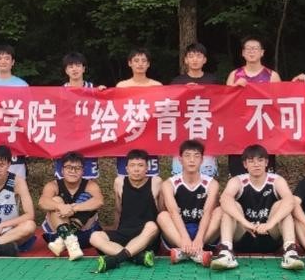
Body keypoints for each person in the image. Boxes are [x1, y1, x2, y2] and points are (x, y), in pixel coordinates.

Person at [209, 144, 304, 271]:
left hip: (270, 235)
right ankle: (226, 252)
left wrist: (270, 224)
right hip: (243, 235)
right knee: (229, 207)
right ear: (245, 164)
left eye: (260, 160)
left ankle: (290, 253)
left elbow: (290, 201)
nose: (256, 164)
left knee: (282, 205)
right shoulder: (237, 181)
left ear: (266, 163)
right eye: (251, 161)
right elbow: (224, 199)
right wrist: (245, 223)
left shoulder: (276, 180)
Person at [91, 149, 161, 273]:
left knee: (152, 226)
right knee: (95, 237)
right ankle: (136, 257)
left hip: (146, 235)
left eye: (140, 165)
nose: (136, 169)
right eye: (132, 165)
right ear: (127, 168)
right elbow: (118, 210)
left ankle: (116, 260)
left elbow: (161, 211)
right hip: (124, 232)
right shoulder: (119, 182)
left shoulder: (156, 182)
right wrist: (115, 229)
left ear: (147, 168)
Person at [157, 139, 220, 265]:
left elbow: (208, 212)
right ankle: (195, 253)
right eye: (187, 156)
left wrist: (199, 239)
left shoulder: (212, 183)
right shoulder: (169, 184)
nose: (192, 160)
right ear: (180, 160)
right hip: (178, 232)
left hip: (204, 233)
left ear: (202, 160)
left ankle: (185, 252)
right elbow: (173, 212)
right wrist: (185, 238)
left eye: (196, 156)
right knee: (162, 216)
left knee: (220, 211)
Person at [226, 37, 281, 176]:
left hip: (264, 129)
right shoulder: (235, 75)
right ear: (243, 53)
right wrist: (234, 88)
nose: (251, 51)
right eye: (248, 49)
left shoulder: (272, 76)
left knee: (264, 172)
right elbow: (225, 103)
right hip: (239, 130)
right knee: (238, 174)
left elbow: (278, 104)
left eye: (255, 48)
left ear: (262, 52)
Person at [38, 151, 104, 261]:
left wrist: (74, 208)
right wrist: (60, 206)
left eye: (77, 168)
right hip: (56, 234)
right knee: (56, 201)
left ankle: (63, 241)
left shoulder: (90, 185)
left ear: (83, 171)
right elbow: (42, 202)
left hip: (84, 235)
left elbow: (99, 201)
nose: (73, 171)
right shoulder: (53, 185)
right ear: (62, 170)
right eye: (69, 167)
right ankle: (70, 241)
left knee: (88, 198)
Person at [169, 43, 220, 178]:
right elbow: (170, 106)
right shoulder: (177, 81)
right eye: (191, 56)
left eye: (198, 56)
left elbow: (220, 103)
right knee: (180, 172)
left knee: (206, 173)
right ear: (185, 60)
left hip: (206, 128)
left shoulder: (212, 80)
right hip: (183, 129)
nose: (195, 59)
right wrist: (184, 91)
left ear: (204, 60)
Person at [114, 48, 161, 177]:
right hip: (127, 135)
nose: (140, 64)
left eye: (143, 61)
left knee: (151, 178)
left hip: (149, 135)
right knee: (124, 178)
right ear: (130, 63)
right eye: (136, 60)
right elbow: (116, 111)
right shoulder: (121, 86)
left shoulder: (157, 86)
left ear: (148, 64)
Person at [55, 53, 101, 180]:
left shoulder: (94, 90)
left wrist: (104, 93)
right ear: (66, 70)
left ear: (84, 68)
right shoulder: (59, 92)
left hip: (88, 140)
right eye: (70, 66)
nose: (74, 69)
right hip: (66, 140)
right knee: (64, 177)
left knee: (88, 179)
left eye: (78, 65)